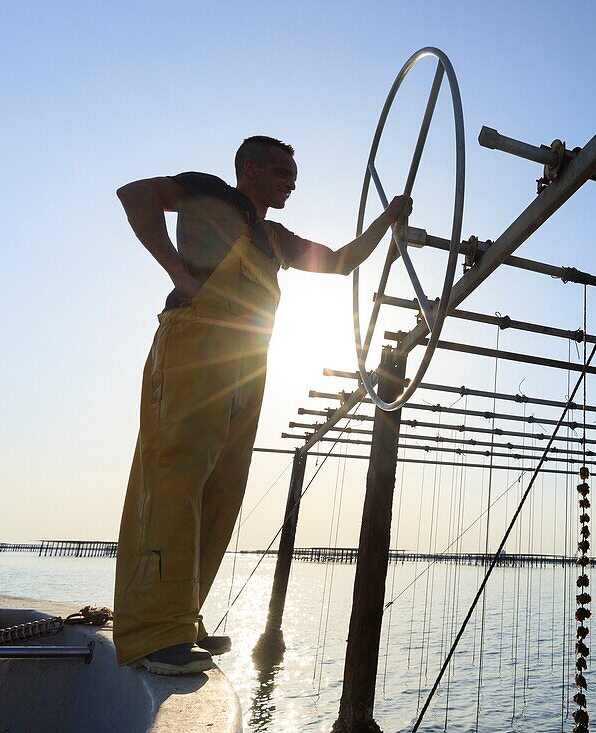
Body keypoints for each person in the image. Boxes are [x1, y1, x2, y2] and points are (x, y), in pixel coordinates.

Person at [113, 135, 410, 675]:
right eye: (280, 171)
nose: (290, 182)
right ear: (248, 168)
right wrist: (179, 273)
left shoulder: (273, 238)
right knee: (176, 472)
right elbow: (135, 195)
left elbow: (341, 262)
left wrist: (388, 218)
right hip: (194, 345)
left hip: (246, 362)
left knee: (221, 486)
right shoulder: (209, 194)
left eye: (293, 176)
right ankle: (151, 632)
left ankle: (182, 619)